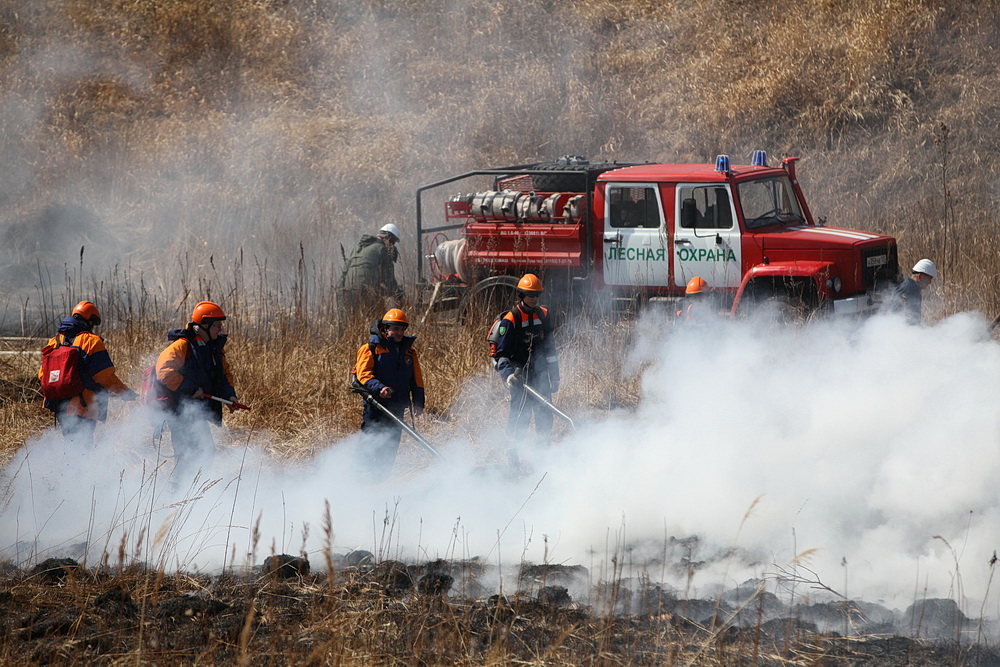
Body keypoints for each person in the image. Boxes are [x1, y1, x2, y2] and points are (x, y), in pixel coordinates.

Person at [152, 301, 238, 483]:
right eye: (217, 326)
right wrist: (191, 390)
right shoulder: (182, 346)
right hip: (180, 413)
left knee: (204, 453)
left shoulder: (213, 350)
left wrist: (229, 396)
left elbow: (223, 376)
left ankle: (191, 494)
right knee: (189, 456)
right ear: (204, 325)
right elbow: (164, 372)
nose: (220, 330)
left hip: (195, 415)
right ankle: (177, 497)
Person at [38, 300, 137, 448]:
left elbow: (42, 375)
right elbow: (105, 377)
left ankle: (67, 470)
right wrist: (125, 392)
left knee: (71, 446)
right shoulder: (91, 341)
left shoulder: (54, 341)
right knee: (82, 450)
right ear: (89, 321)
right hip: (83, 406)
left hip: (60, 406)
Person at [493, 274, 560, 466]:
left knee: (545, 415)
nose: (534, 299)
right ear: (521, 295)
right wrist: (508, 377)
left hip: (541, 375)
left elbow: (550, 348)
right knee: (520, 417)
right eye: (530, 295)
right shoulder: (511, 319)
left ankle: (543, 458)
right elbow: (501, 354)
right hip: (519, 376)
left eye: (537, 295)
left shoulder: (543, 315)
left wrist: (555, 376)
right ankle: (513, 457)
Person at [351, 308, 425, 480]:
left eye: (402, 329)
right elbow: (364, 375)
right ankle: (359, 477)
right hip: (375, 405)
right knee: (370, 440)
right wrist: (380, 388)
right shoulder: (371, 348)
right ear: (385, 329)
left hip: (398, 406)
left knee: (391, 444)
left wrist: (419, 402)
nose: (399, 333)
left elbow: (417, 380)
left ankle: (382, 479)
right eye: (395, 328)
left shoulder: (409, 352)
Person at [339, 223, 404, 313]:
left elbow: (344, 273)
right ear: (388, 238)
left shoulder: (357, 247)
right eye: (393, 242)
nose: (392, 246)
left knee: (350, 321)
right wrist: (398, 294)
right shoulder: (382, 249)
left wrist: (339, 292)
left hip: (346, 291)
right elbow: (389, 280)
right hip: (365, 292)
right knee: (375, 321)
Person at [888, 259, 937, 325]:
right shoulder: (908, 290)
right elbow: (896, 315)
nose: (930, 282)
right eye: (929, 278)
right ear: (920, 276)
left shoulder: (913, 288)